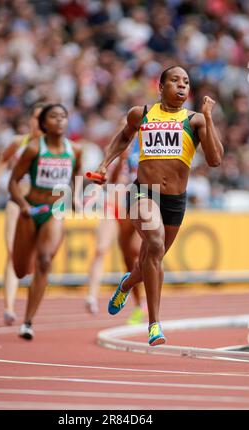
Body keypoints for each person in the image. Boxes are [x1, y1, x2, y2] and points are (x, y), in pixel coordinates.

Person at [95, 66, 224, 345]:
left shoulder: (196, 120)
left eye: (186, 82)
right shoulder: (140, 114)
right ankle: (154, 325)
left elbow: (215, 160)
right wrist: (104, 164)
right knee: (154, 244)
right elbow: (123, 137)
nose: (182, 86)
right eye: (175, 80)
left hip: (175, 201)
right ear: (161, 87)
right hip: (144, 192)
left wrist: (210, 118)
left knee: (152, 259)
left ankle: (127, 283)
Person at [9, 103, 82, 340]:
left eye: (63, 116)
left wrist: (76, 199)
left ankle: (28, 321)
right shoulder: (33, 149)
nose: (60, 121)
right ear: (44, 124)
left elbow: (76, 178)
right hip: (31, 210)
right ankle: (25, 268)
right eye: (53, 117)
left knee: (43, 260)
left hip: (55, 211)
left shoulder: (75, 150)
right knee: (20, 271)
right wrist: (23, 206)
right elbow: (13, 182)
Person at [0, 103, 44, 326]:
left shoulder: (52, 147)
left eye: (43, 119)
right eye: (36, 118)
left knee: (38, 259)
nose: (38, 123)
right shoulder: (18, 142)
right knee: (12, 253)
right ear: (30, 120)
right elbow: (2, 159)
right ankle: (9, 308)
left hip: (39, 206)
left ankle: (30, 312)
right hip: (16, 204)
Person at [85, 141, 144, 325]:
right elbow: (108, 181)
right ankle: (91, 297)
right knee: (101, 249)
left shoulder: (147, 146)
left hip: (138, 207)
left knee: (134, 257)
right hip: (115, 206)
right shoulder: (115, 151)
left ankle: (141, 304)